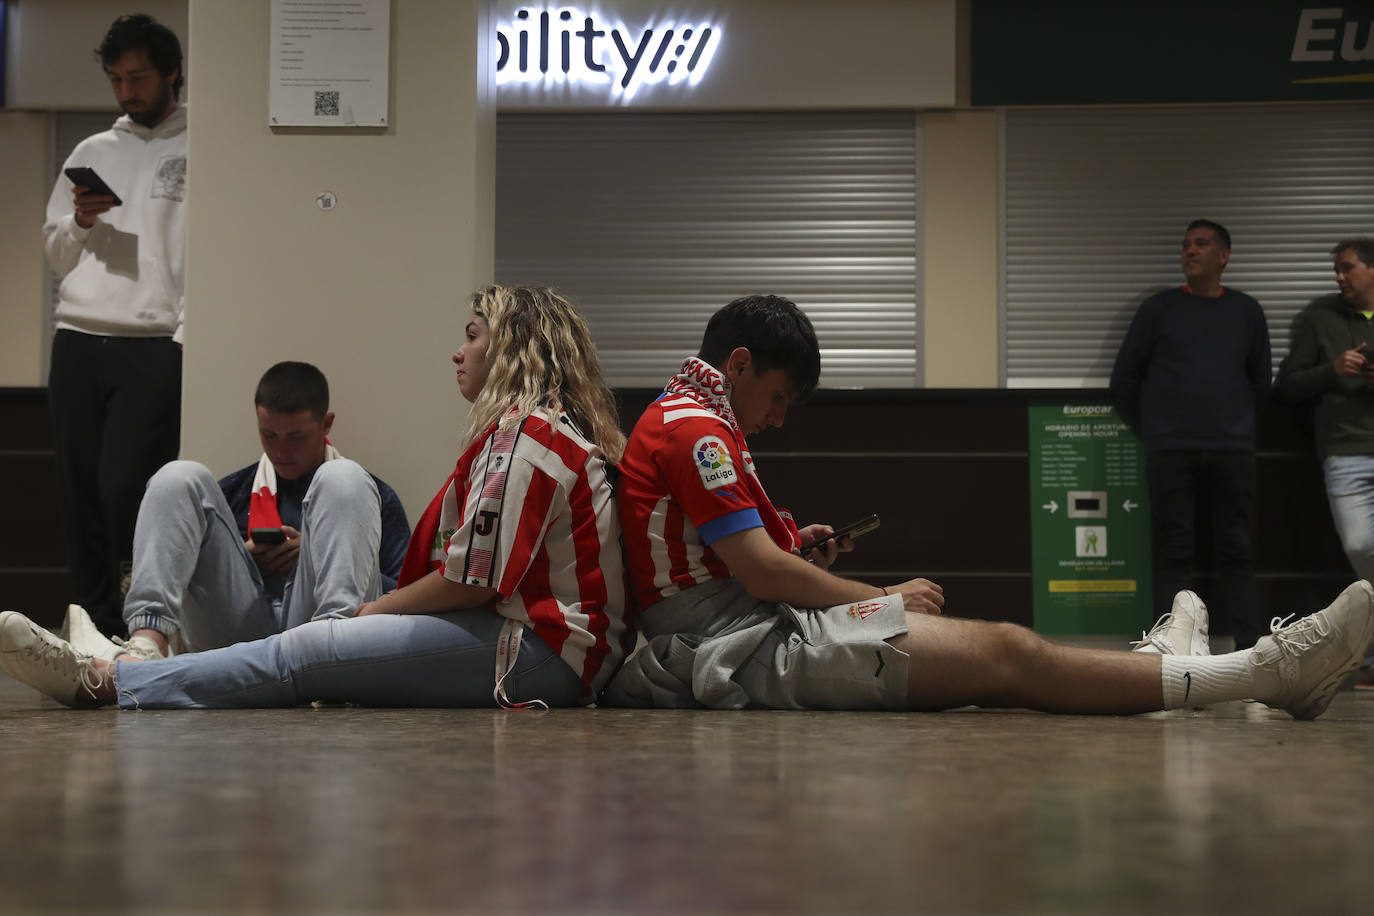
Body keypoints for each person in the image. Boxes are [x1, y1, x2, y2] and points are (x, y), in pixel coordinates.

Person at [603, 294, 1374, 718]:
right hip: (736, 644)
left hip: (748, 624)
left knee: (1000, 648)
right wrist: (880, 596)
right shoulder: (695, 429)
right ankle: (1265, 673)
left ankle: (1168, 666)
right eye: (775, 397)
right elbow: (764, 576)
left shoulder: (691, 420)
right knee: (1006, 655)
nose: (775, 419)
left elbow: (746, 557)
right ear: (738, 365)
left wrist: (792, 548)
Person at [0, 286, 631, 709]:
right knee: (185, 484)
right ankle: (140, 647)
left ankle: (109, 680)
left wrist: (366, 615)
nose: (457, 350)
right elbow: (470, 577)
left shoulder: (530, 432)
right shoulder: (535, 430)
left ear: (514, 350)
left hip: (544, 651)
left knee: (308, 644)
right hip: (538, 644)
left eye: (472, 335)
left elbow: (471, 580)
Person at [60, 361, 410, 662]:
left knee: (344, 476)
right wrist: (244, 560)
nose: (281, 450)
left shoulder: (370, 495)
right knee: (178, 476)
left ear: (326, 424)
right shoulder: (231, 493)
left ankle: (336, 648)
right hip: (238, 628)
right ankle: (146, 643)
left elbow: (402, 591)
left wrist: (321, 554)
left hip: (317, 632)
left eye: (296, 437)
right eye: (269, 435)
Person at [41, 14, 189, 637]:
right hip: (77, 338)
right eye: (117, 79)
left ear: (172, 76)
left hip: (155, 343)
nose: (128, 92)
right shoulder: (91, 151)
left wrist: (186, 335)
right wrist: (78, 221)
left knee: (125, 488)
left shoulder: (205, 144)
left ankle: (143, 625)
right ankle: (92, 629)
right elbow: (54, 253)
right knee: (79, 495)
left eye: (139, 77)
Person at [1110, 220, 1272, 649]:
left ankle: (1250, 648)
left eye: (1201, 244)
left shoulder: (1246, 311)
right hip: (1171, 449)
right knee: (1173, 551)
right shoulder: (1158, 310)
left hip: (1232, 448)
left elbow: (1260, 383)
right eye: (1185, 244)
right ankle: (1171, 647)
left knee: (1237, 549)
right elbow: (1124, 381)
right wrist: (1155, 431)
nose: (1190, 251)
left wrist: (1236, 424)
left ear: (1224, 256)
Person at [1276, 238, 1374, 682]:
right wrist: (1332, 369)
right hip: (1346, 451)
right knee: (1358, 545)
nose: (1339, 277)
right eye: (1337, 269)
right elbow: (1289, 385)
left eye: (1348, 268)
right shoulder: (1321, 319)